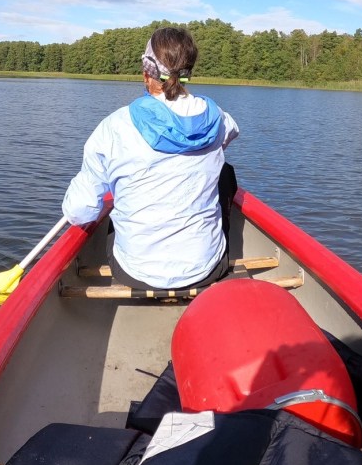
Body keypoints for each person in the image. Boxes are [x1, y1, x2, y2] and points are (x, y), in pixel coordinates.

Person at [62, 26, 240, 291]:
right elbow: (231, 132)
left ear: (146, 73)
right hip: (207, 267)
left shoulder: (114, 126)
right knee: (224, 172)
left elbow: (80, 212)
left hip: (135, 271)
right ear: (188, 72)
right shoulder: (217, 119)